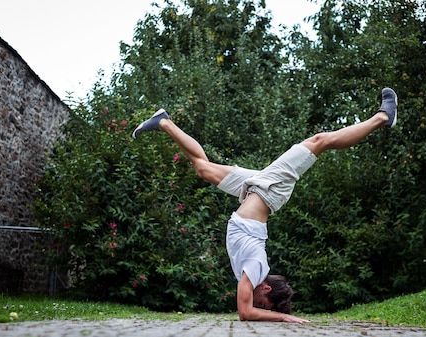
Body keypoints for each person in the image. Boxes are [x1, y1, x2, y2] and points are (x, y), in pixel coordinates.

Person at [132, 88, 398, 323]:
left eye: (261, 307)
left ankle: (164, 122)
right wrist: (284, 316)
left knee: (203, 168)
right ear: (267, 290)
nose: (255, 304)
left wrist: (275, 314)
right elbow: (245, 313)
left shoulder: (250, 272)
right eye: (262, 303)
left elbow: (245, 311)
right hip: (270, 189)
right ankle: (383, 118)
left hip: (253, 191)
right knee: (320, 141)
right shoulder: (257, 266)